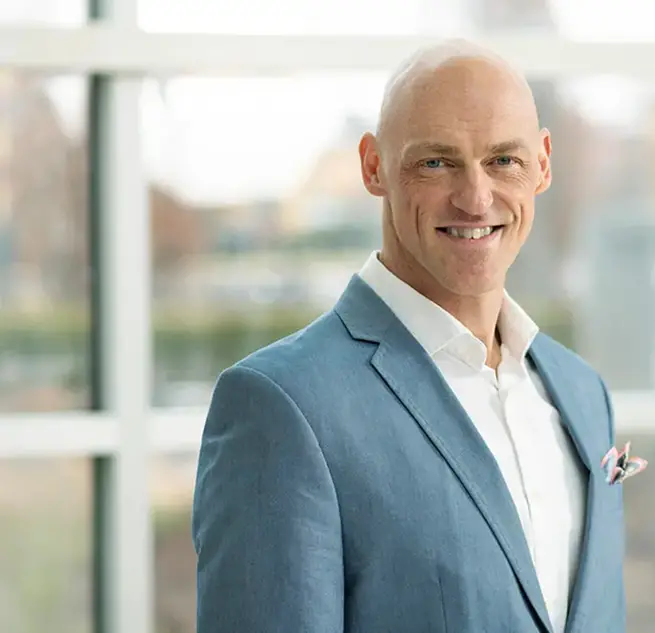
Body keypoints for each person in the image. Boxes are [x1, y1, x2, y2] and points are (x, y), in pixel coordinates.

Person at [191, 39, 627, 633]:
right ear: (373, 166)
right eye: (436, 163)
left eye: (504, 160)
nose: (476, 198)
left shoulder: (583, 393)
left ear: (543, 163)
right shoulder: (281, 407)